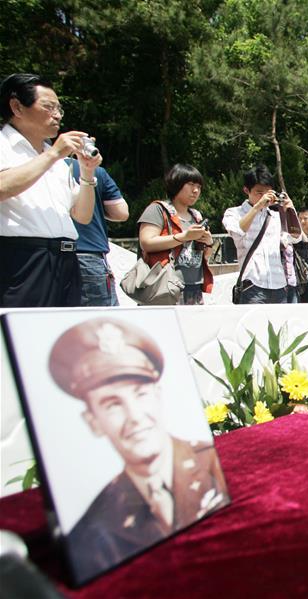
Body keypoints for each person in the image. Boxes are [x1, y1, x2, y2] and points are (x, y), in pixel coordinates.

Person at [48, 317, 229, 580]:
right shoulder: (93, 530)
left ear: (158, 396)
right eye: (112, 404)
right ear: (93, 421)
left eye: (140, 394)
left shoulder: (209, 465)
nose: (134, 416)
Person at [0, 73, 101, 307]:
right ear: (16, 107)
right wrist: (53, 154)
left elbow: (82, 215)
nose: (57, 115)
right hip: (23, 260)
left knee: (62, 337)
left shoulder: (58, 160)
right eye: (49, 107)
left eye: (59, 109)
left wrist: (87, 172)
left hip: (66, 259)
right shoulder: (6, 145)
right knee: (22, 338)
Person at [137, 164, 213, 305]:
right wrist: (184, 237)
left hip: (194, 288)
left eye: (199, 186)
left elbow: (205, 256)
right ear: (176, 183)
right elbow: (146, 243)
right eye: (190, 184)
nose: (195, 190)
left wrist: (208, 242)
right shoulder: (158, 210)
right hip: (164, 287)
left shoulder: (196, 216)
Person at [222, 165, 299, 304]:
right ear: (246, 190)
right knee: (253, 326)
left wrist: (290, 210)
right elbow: (238, 231)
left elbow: (295, 237)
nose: (265, 197)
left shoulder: (276, 216)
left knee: (280, 326)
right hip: (252, 285)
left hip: (279, 285)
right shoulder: (234, 213)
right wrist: (258, 207)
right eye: (259, 192)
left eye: (269, 192)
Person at [68, 161, 129, 306]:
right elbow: (121, 213)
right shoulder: (94, 170)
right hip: (89, 254)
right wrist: (94, 206)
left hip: (46, 258)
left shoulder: (35, 168)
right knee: (101, 323)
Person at [292, 207, 308, 303]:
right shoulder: (294, 237)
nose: (302, 221)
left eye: (305, 218)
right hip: (298, 280)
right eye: (300, 218)